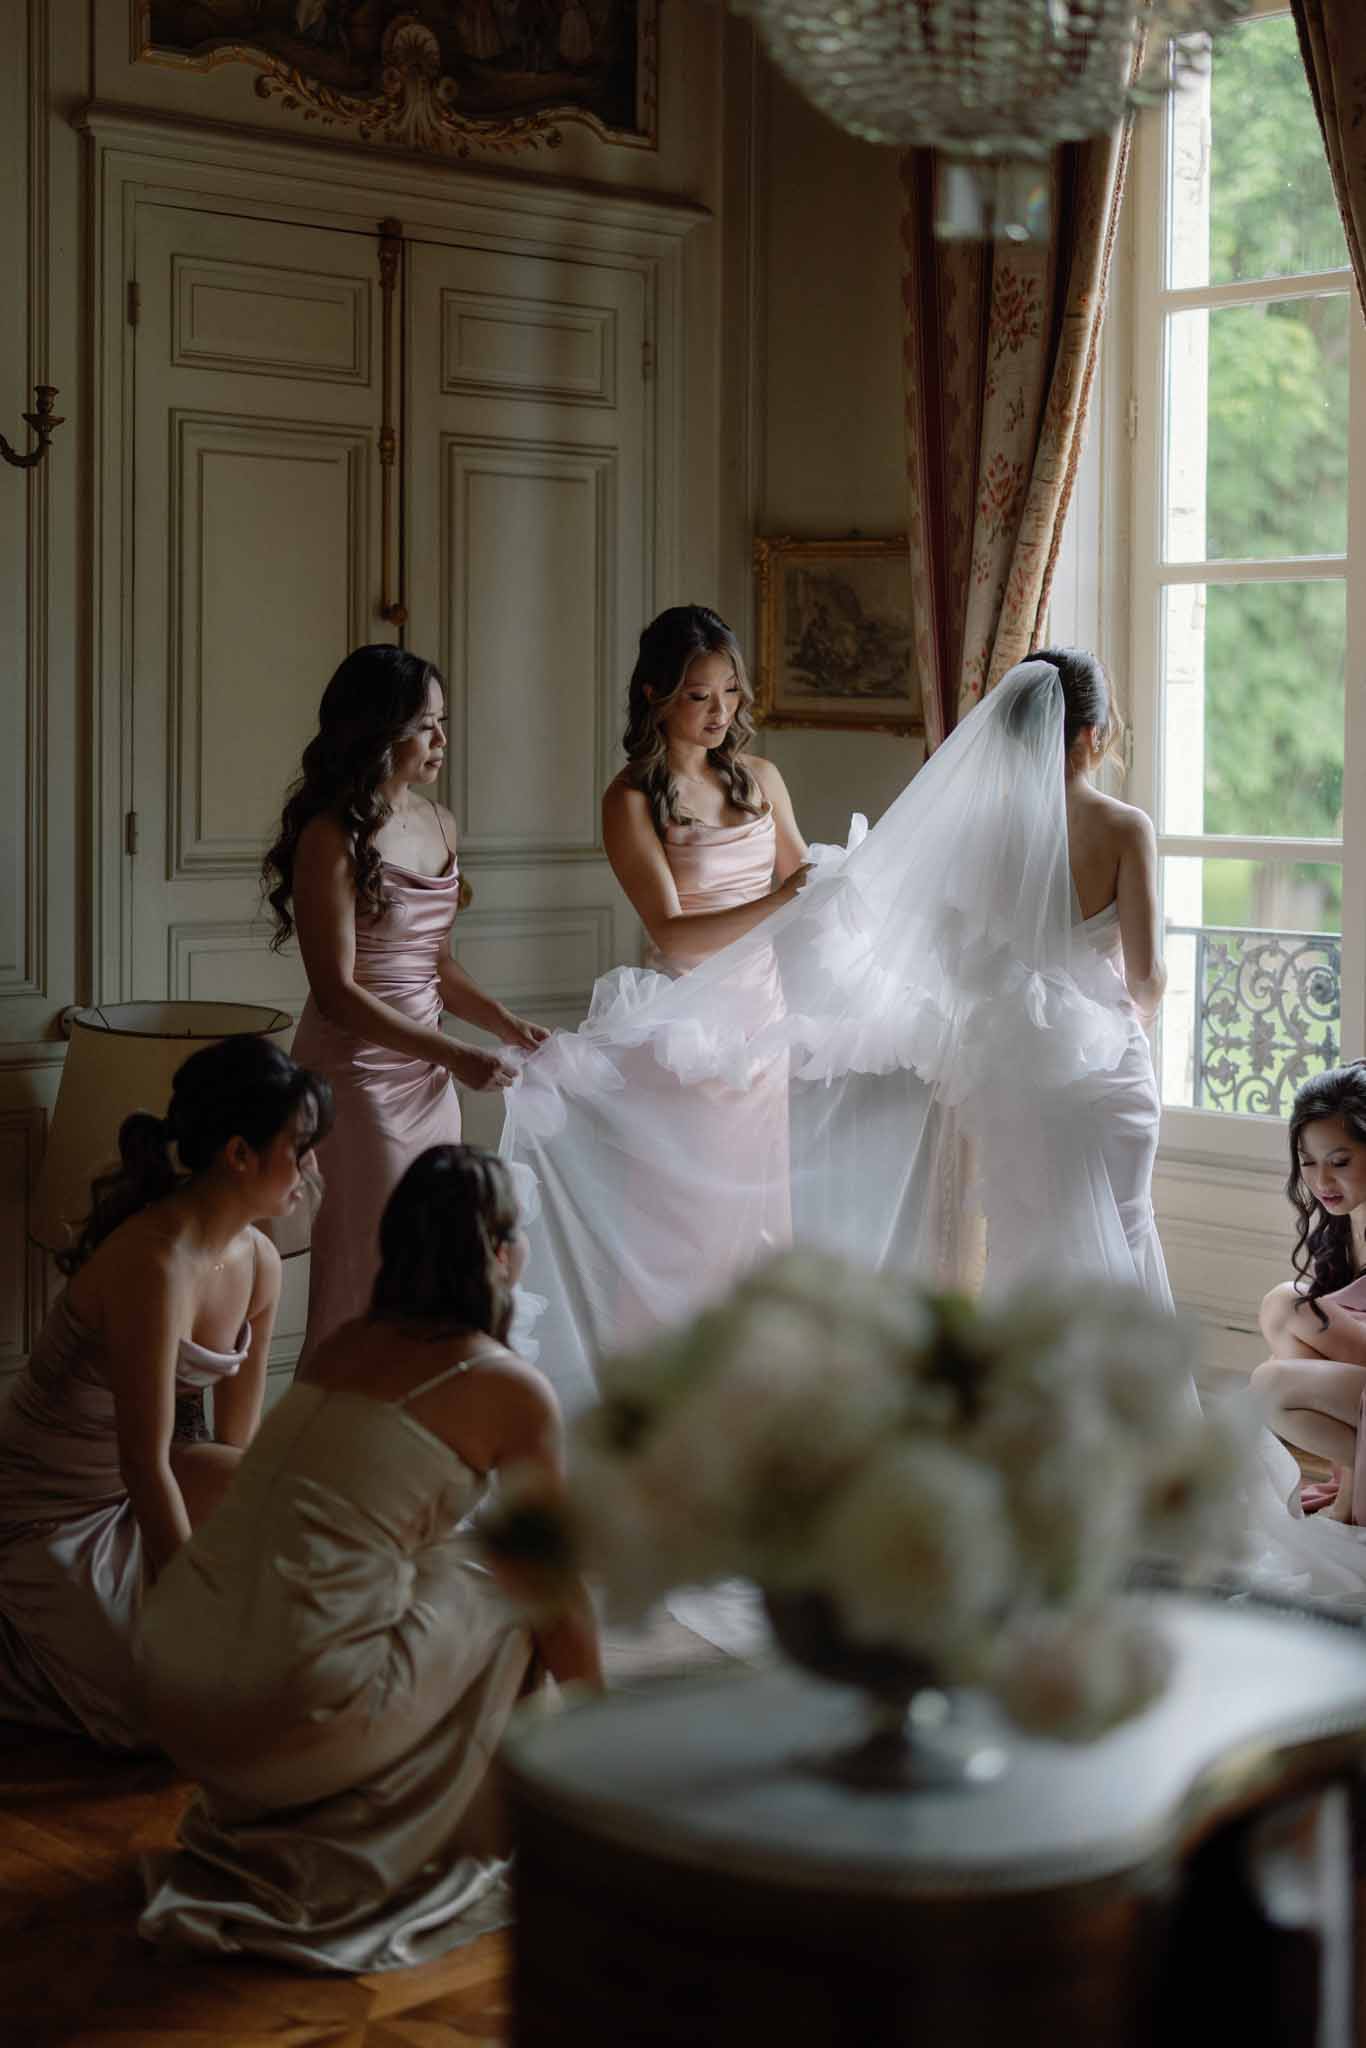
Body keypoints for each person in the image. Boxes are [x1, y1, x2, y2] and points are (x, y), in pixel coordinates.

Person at [502, 638, 1170, 1418]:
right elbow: (1147, 980)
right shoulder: (1124, 827)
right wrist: (1105, 1025)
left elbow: (921, 937)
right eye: (699, 695)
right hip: (716, 1036)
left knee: (1011, 1240)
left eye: (729, 693)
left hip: (922, 1055)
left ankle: (1021, 1418)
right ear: (1094, 734)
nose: (720, 712)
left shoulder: (963, 830)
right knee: (1121, 1231)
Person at [137, 1144, 600, 1973]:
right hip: (284, 1715)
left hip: (175, 1683)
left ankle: (350, 1816)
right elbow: (555, 1590)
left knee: (450, 1568)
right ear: (499, 1253)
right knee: (512, 1582)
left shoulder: (343, 1346)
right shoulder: (507, 1386)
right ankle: (417, 1839)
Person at [0, 1035, 327, 1749]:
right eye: (298, 1150)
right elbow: (142, 1463)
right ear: (238, 1154)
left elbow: (235, 1450)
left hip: (138, 1490)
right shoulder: (155, 1264)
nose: (310, 1171)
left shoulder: (260, 1262)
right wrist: (192, 1615)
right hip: (45, 1512)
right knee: (169, 1706)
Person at [263, 645, 548, 1367]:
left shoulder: (442, 823)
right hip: (356, 1083)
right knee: (364, 1276)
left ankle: (406, 1432)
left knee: (431, 1271)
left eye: (443, 723)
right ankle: (328, 1441)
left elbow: (438, 964)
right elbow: (336, 995)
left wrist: (503, 1023)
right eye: (426, 726)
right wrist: (455, 1053)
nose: (442, 742)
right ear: (376, 731)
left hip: (428, 1082)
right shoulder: (332, 836)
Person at [1251, 1064, 1366, 1522]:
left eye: (1340, 1163)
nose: (1320, 1183)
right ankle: (1353, 1475)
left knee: (1271, 1377)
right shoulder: (1345, 1226)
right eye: (1308, 1163)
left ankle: (1354, 1489)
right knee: (1283, 1308)